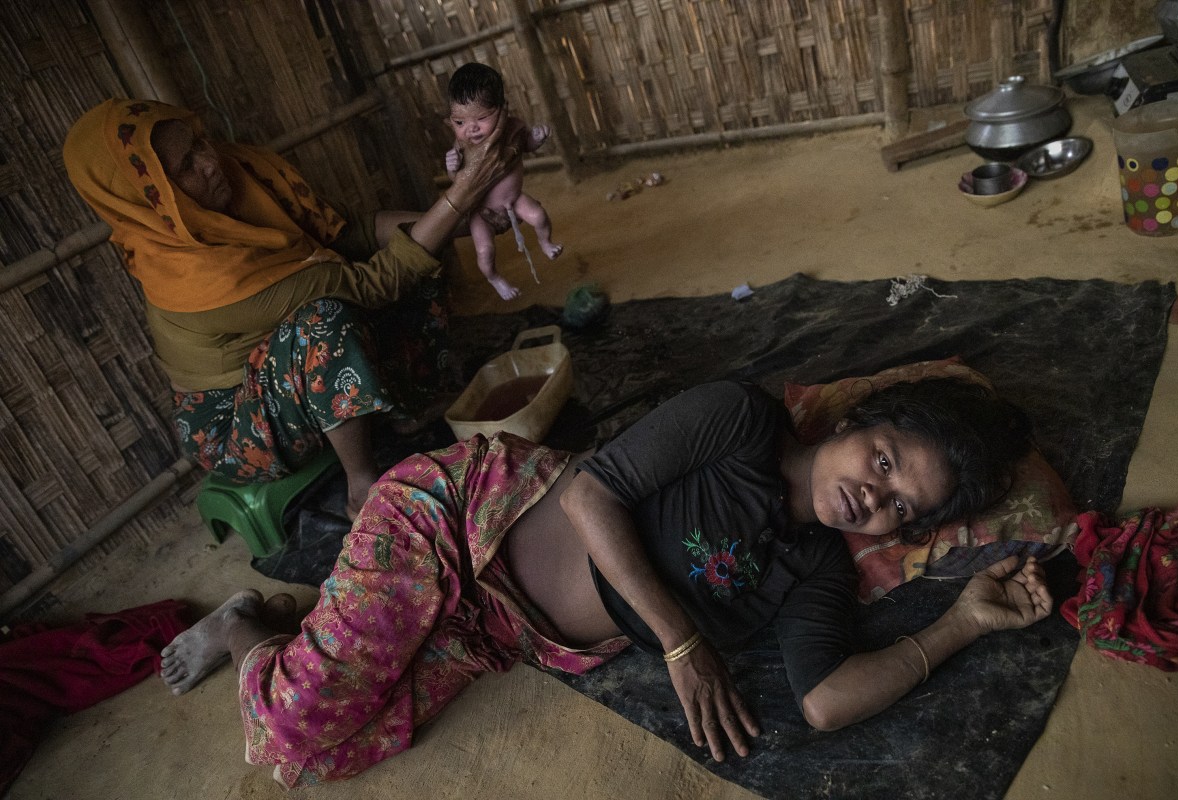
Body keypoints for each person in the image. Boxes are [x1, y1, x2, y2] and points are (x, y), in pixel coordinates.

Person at [159, 376, 1053, 786]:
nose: (873, 494)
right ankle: (243, 623)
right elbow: (592, 495)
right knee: (286, 725)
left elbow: (823, 702)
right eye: (885, 457)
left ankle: (295, 621)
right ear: (858, 421)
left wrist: (963, 625)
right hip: (455, 519)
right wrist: (684, 642)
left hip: (502, 631)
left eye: (901, 507)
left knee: (332, 753)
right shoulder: (740, 422)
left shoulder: (814, 565)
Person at [63, 98, 523, 518]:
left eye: (199, 142)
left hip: (285, 367)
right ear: (151, 197)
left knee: (423, 253)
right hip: (235, 424)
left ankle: (409, 406)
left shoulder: (246, 183)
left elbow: (349, 234)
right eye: (185, 166)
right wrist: (459, 195)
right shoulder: (191, 276)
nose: (210, 162)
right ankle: (361, 485)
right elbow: (368, 286)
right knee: (324, 321)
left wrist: (465, 222)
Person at [444, 62, 562, 301]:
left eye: (481, 118)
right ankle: (494, 278)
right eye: (460, 122)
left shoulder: (513, 128)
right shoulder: (462, 147)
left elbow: (525, 145)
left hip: (513, 200)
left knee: (539, 216)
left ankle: (545, 242)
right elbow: (457, 182)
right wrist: (452, 166)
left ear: (501, 109)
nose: (471, 129)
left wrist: (536, 139)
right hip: (481, 210)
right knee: (485, 251)